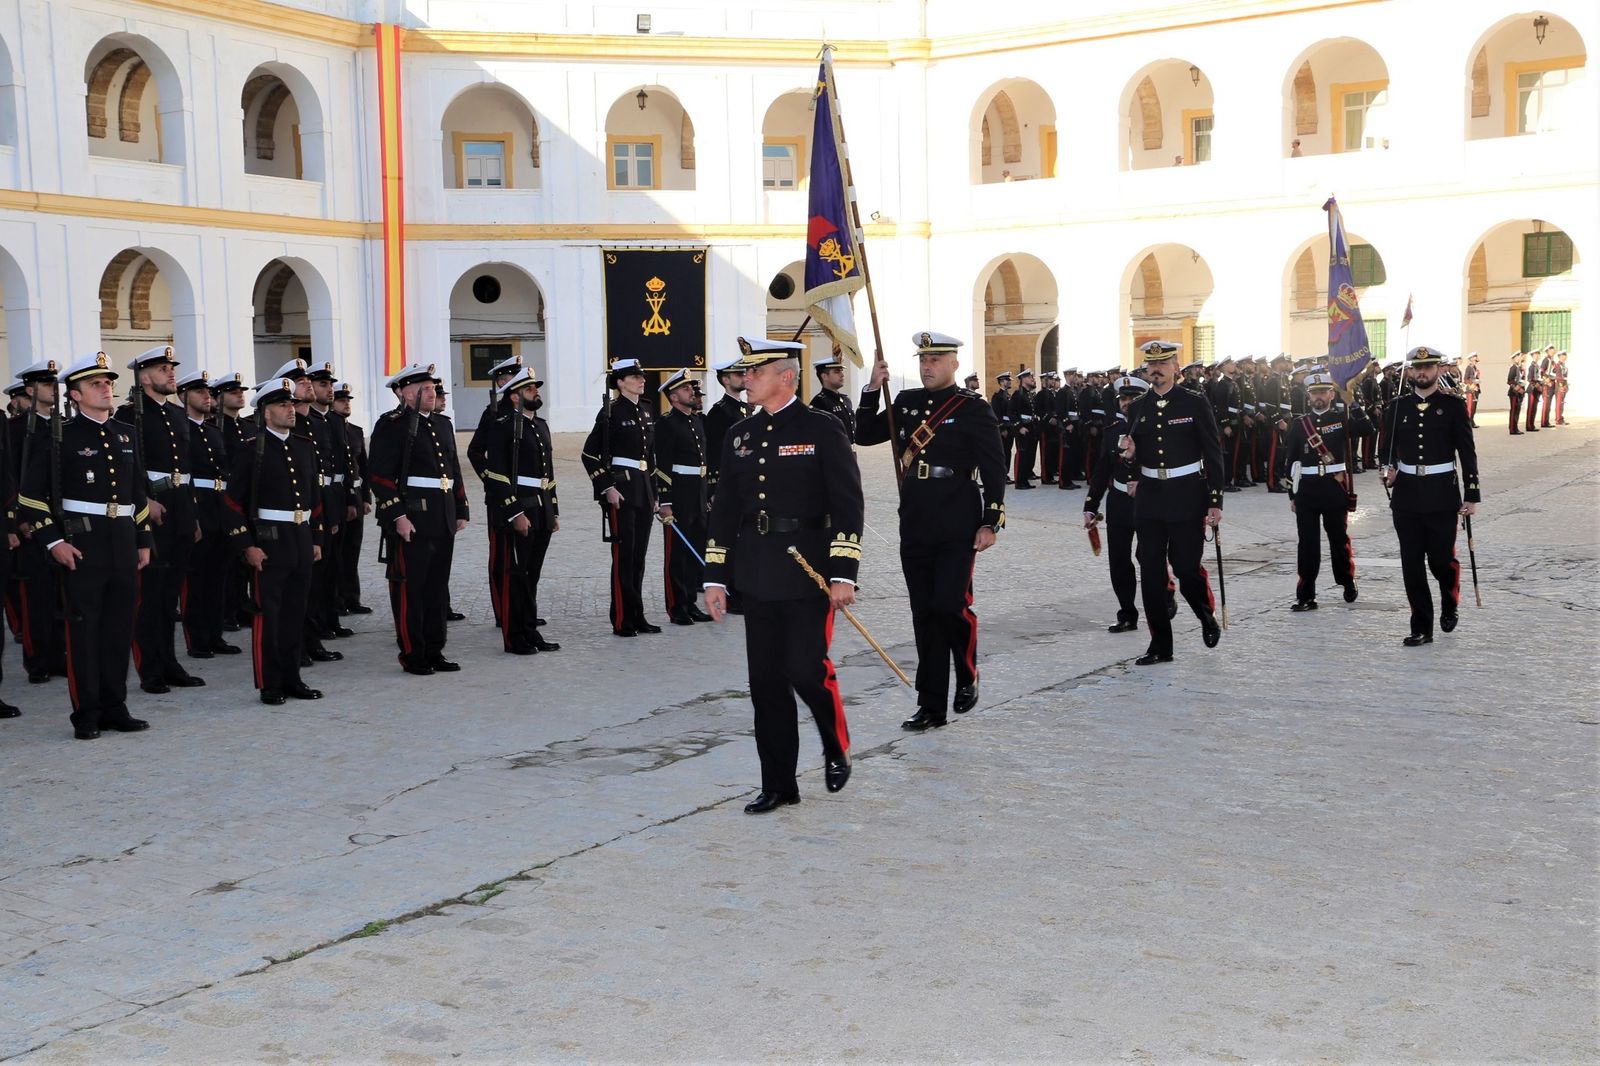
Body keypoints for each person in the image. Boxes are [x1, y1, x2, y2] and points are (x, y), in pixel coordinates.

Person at [704, 336, 863, 813]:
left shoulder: (821, 427)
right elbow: (725, 509)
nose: (745, 380)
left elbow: (848, 503)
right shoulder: (739, 434)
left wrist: (844, 572)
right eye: (744, 373)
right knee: (766, 684)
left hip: (808, 570)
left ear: (786, 376)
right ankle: (779, 783)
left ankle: (835, 744)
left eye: (755, 372)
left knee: (805, 671)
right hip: (757, 574)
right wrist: (715, 578)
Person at [856, 332, 1004, 729]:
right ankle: (931, 705)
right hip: (917, 519)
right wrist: (872, 388)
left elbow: (993, 468)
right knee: (924, 614)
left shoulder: (973, 409)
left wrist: (991, 520)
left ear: (954, 363)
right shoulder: (905, 402)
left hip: (958, 519)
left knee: (948, 606)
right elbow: (863, 433)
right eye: (923, 360)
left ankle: (968, 671)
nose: (927, 367)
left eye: (936, 360)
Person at [19, 353, 152, 740]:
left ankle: (116, 706)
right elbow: (30, 497)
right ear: (74, 395)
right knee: (85, 631)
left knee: (118, 629)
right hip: (83, 544)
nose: (106, 388)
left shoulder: (126, 434)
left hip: (123, 543)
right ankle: (87, 712)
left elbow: (137, 493)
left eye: (108, 382)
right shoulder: (60, 436)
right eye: (96, 384)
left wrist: (143, 539)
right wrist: (53, 541)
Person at [1117, 340, 1224, 664]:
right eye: (1151, 365)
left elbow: (1213, 451)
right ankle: (1161, 645)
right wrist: (1130, 457)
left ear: (1175, 367)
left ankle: (1205, 615)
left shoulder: (1194, 402)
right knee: (1150, 572)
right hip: (1151, 497)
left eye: (1163, 363)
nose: (1156, 370)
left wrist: (1215, 500)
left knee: (1186, 568)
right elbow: (1130, 461)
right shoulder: (1137, 409)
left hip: (1187, 494)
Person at [223, 377, 324, 705]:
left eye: (292, 403)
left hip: (300, 537)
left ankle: (292, 677)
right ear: (266, 413)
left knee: (296, 612)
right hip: (270, 541)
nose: (291, 409)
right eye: (283, 404)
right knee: (270, 615)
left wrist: (316, 537)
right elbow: (233, 504)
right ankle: (270, 683)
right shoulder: (252, 449)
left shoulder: (304, 446)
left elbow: (316, 497)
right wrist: (247, 545)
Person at [369, 363, 470, 674]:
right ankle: (413, 654)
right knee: (411, 588)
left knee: (437, 588)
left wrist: (461, 507)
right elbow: (380, 475)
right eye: (425, 389)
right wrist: (398, 515)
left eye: (433, 388)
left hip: (442, 516)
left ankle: (435, 649)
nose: (432, 393)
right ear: (405, 393)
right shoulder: (392, 425)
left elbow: (453, 469)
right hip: (413, 518)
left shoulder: (442, 424)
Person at [1381, 345, 1480, 647]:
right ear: (1409, 371)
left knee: (1440, 561)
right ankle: (1421, 626)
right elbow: (1385, 447)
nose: (1422, 372)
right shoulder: (1396, 407)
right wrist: (1388, 467)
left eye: (1428, 367)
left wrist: (1472, 492)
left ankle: (1450, 599)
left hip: (1442, 494)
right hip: (1407, 494)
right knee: (1411, 563)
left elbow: (1467, 451)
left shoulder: (1452, 406)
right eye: (1416, 368)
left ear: (1438, 370)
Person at [120, 345, 205, 695]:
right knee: (150, 597)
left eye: (172, 367)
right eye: (162, 368)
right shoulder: (129, 414)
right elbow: (125, 468)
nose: (171, 373)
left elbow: (188, 468)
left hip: (181, 510)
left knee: (171, 596)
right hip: (152, 512)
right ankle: (149, 668)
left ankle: (170, 661)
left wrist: (194, 516)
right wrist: (145, 500)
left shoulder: (177, 413)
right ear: (144, 377)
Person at [480, 367, 561, 655]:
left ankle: (530, 631)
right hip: (521, 508)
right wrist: (514, 512)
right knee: (517, 576)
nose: (536, 392)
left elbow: (548, 473)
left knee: (532, 576)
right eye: (529, 389)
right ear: (515, 396)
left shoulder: (540, 425)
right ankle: (515, 637)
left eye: (535, 388)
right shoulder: (503, 425)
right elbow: (497, 473)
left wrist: (553, 510)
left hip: (540, 509)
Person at [1083, 374, 1172, 633]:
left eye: (1132, 398)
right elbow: (1102, 469)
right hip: (1119, 500)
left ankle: (1165, 593)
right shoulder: (1112, 431)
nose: (1126, 403)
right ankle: (1127, 613)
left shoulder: (1153, 429)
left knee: (1148, 554)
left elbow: (1164, 466)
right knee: (1119, 560)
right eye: (1123, 398)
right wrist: (1091, 505)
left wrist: (1146, 485)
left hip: (1147, 500)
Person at [581, 358, 659, 637]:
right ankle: (622, 618)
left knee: (638, 558)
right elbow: (589, 454)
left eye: (641, 376)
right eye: (635, 377)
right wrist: (607, 487)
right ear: (620, 382)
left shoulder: (647, 410)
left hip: (644, 491)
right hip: (622, 492)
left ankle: (637, 615)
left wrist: (655, 493)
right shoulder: (610, 413)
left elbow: (650, 458)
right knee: (624, 557)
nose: (642, 380)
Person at [8, 360, 67, 683]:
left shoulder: (61, 426)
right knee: (37, 595)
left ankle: (57, 654)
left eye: (55, 384)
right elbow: (12, 477)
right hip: (31, 522)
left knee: (61, 593)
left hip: (59, 520)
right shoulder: (17, 429)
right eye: (47, 385)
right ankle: (37, 659)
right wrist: (19, 519)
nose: (53, 390)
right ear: (30, 390)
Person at [175, 370, 238, 660]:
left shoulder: (214, 430)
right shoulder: (179, 428)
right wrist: (191, 515)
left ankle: (215, 635)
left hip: (219, 506)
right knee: (196, 579)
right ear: (183, 395)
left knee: (219, 576)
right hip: (197, 505)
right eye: (200, 392)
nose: (207, 397)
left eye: (209, 392)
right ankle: (197, 639)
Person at [1284, 373, 1358, 611]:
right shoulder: (1299, 424)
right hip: (1307, 490)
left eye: (1323, 392)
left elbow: (1367, 427)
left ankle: (1347, 580)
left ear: (1331, 394)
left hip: (1334, 488)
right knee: (1307, 543)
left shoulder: (1341, 417)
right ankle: (1306, 594)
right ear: (1308, 396)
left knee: (1338, 540)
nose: (1318, 396)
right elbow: (1291, 460)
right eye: (1314, 393)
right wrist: (1292, 495)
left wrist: (1352, 403)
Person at [654, 368, 713, 625]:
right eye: (686, 389)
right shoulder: (667, 424)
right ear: (673, 396)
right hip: (678, 495)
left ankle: (690, 602)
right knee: (677, 554)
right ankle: (676, 606)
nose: (692, 392)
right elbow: (662, 465)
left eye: (692, 388)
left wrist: (707, 493)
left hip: (697, 493)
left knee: (693, 552)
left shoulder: (697, 420)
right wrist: (665, 501)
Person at [332, 381, 373, 615]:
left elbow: (363, 468)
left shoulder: (356, 431)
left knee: (353, 550)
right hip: (339, 496)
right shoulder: (329, 428)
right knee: (337, 551)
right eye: (341, 400)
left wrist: (365, 497)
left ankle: (352, 597)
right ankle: (337, 599)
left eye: (348, 400)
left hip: (356, 495)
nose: (346, 403)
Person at [808, 353, 854, 437]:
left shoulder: (846, 400)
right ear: (824, 376)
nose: (842, 375)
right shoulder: (819, 402)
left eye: (841, 371)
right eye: (837, 372)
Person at [990, 371, 1014, 481]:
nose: (1009, 382)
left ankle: (1006, 473)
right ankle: (1001, 474)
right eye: (1007, 380)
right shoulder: (997, 396)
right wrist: (1001, 428)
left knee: (1008, 451)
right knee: (1003, 452)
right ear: (1001, 381)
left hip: (1010, 427)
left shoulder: (1008, 395)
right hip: (1004, 428)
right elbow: (996, 414)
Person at [1506, 352, 1527, 435]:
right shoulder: (1513, 368)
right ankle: (1512, 429)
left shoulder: (1520, 368)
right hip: (1514, 392)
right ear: (1514, 358)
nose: (1520, 357)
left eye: (1521, 356)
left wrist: (1522, 389)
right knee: (1514, 410)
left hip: (1520, 392)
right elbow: (1509, 380)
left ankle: (1515, 427)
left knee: (1517, 411)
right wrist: (1518, 388)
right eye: (1519, 356)